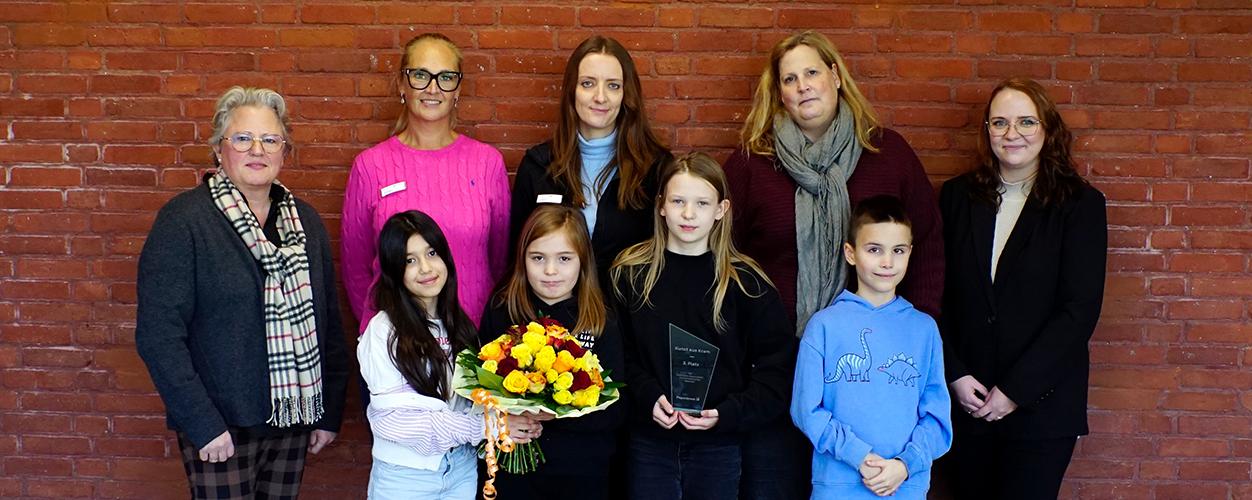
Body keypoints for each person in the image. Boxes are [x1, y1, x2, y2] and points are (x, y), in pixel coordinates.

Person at [723, 30, 946, 500]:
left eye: (811, 72)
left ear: (836, 76)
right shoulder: (751, 164)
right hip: (776, 364)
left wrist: (905, 329)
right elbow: (725, 257)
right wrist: (747, 343)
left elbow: (926, 243)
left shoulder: (888, 154)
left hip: (869, 377)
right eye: (789, 79)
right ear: (778, 92)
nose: (803, 85)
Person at [136, 86, 348, 499]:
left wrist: (329, 411)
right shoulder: (184, 222)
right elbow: (159, 336)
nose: (257, 149)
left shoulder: (305, 223)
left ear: (284, 151)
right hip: (220, 429)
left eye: (270, 139)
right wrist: (202, 423)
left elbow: (328, 324)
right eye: (243, 138)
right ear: (219, 148)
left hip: (293, 418)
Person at [939, 78, 1107, 499]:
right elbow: (936, 294)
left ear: (1048, 129)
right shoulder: (956, 197)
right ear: (987, 131)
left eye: (1026, 122)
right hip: (967, 401)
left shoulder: (1080, 204)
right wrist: (953, 372)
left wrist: (1015, 391)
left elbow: (1079, 310)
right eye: (1000, 122)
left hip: (1041, 407)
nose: (1012, 133)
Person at [611, 153, 795, 500]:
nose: (689, 214)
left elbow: (777, 369)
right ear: (661, 205)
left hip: (719, 446)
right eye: (678, 201)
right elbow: (616, 357)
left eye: (702, 203)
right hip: (648, 442)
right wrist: (646, 397)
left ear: (721, 209)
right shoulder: (629, 274)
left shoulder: (746, 283)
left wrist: (728, 413)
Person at [358, 210, 539, 499]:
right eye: (409, 260)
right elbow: (394, 421)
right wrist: (488, 426)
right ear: (394, 270)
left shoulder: (460, 325)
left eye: (432, 253)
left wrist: (516, 416)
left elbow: (471, 402)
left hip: (461, 469)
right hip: (405, 476)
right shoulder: (383, 331)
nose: (425, 268)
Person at [343, 33, 510, 330]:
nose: (433, 88)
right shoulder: (370, 166)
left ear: (458, 89)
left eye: (446, 77)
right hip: (399, 342)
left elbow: (500, 262)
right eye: (420, 75)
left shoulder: (487, 163)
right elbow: (356, 268)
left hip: (475, 339)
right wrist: (382, 334)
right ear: (401, 84)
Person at [791, 195, 952, 500]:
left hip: (905, 485)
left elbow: (937, 418)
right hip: (838, 486)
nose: (887, 262)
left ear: (910, 253)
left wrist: (905, 465)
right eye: (874, 249)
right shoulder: (823, 326)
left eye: (898, 250)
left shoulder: (924, 330)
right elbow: (806, 410)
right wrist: (860, 457)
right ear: (851, 253)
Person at [479, 205, 626, 500]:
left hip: (581, 469)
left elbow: (616, 409)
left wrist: (555, 412)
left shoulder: (600, 320)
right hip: (514, 466)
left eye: (564, 258)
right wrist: (505, 418)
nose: (550, 270)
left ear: (583, 261)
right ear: (522, 258)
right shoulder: (502, 310)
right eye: (538, 258)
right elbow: (481, 389)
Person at [510, 35, 671, 285]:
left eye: (613, 85)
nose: (600, 97)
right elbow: (517, 257)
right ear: (571, 90)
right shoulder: (538, 165)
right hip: (555, 309)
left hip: (629, 307)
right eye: (588, 83)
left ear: (626, 94)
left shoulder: (656, 168)